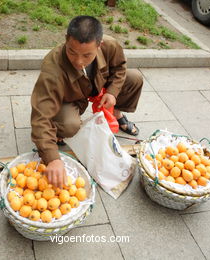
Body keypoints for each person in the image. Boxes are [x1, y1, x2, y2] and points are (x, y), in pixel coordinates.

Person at [31, 15, 143, 188]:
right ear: (66, 40)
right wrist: (52, 158)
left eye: (87, 55)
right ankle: (59, 130)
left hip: (98, 84)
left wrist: (112, 93)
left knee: (134, 78)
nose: (78, 61)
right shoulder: (52, 69)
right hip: (72, 97)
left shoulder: (110, 45)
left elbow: (120, 68)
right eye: (72, 52)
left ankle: (117, 113)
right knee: (70, 125)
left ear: (99, 46)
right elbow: (40, 116)